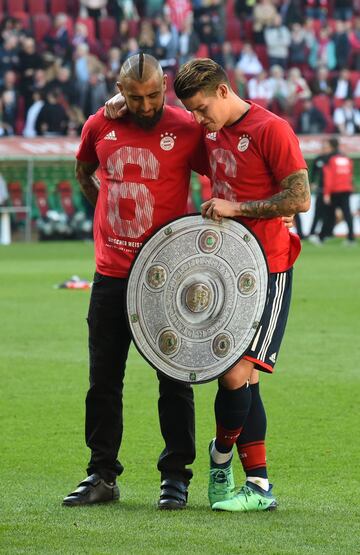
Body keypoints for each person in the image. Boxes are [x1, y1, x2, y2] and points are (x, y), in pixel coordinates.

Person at [62, 53, 209, 509]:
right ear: (118, 90)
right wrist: (103, 213)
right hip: (110, 276)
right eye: (133, 96)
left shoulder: (187, 128)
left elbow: (220, 171)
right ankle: (102, 475)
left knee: (174, 379)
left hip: (167, 278)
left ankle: (175, 477)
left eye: (152, 95)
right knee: (103, 380)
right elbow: (84, 171)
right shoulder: (97, 125)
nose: (144, 106)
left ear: (165, 86)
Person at [173, 58, 310, 512]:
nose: (197, 118)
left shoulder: (272, 129)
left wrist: (239, 208)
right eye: (191, 110)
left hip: (268, 268)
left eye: (201, 107)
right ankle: (259, 486)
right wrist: (117, 102)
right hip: (225, 270)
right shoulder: (209, 132)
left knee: (236, 374)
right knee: (241, 378)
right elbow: (167, 133)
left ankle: (219, 458)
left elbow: (299, 197)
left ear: (224, 92)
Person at [319, 137, 355, 245]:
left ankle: (323, 236)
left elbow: (328, 178)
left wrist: (326, 194)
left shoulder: (329, 159)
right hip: (346, 190)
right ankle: (351, 238)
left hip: (335, 191)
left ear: (331, 146)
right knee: (347, 215)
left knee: (328, 214)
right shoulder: (346, 158)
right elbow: (350, 175)